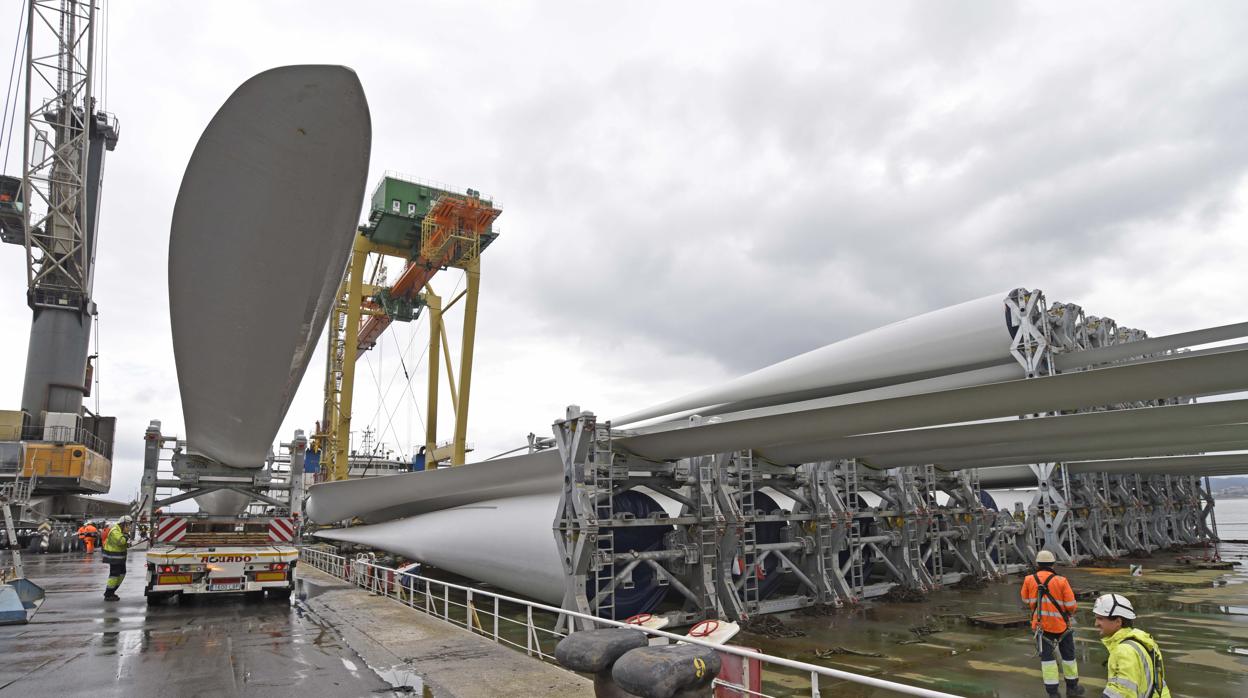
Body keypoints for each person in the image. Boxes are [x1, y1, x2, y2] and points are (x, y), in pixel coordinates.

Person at [1021, 550, 1084, 696]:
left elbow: (1026, 600)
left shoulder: (1029, 579)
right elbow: (1071, 605)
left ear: (1037, 564)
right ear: (1053, 564)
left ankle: (1053, 693)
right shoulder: (1061, 581)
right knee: (1068, 657)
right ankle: (1072, 688)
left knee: (1047, 660)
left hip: (1041, 627)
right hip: (1062, 626)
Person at [1093, 594, 1170, 698]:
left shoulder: (1123, 650)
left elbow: (1123, 693)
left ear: (1118, 622)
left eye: (1100, 619)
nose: (1096, 623)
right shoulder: (1142, 640)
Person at [101, 516, 133, 601]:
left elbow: (123, 543)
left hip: (120, 557)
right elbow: (120, 541)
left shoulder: (120, 530)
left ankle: (112, 591)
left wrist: (127, 543)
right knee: (114, 575)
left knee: (122, 573)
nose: (128, 527)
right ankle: (108, 593)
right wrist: (126, 536)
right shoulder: (115, 530)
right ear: (123, 524)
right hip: (114, 557)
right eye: (127, 525)